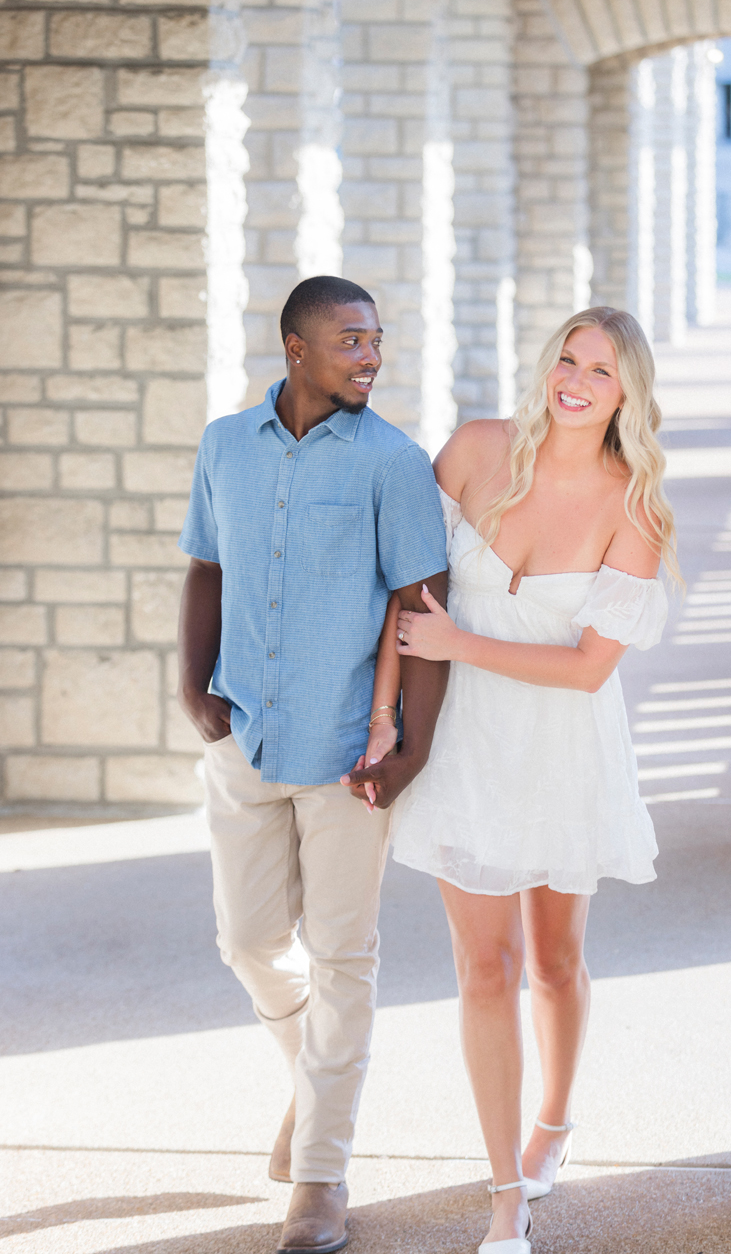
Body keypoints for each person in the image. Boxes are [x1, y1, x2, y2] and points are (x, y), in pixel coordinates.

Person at [348, 306, 677, 1254]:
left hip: (566, 750)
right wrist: (383, 720)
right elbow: (406, 596)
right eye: (567, 358)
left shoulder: (636, 502)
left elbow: (585, 667)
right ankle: (504, 1193)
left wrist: (459, 641)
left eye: (601, 370)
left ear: (629, 394)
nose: (574, 380)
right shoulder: (476, 451)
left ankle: (556, 1123)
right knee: (481, 968)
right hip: (465, 748)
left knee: (554, 959)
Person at [176, 275, 449, 1254]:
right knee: (248, 941)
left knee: (343, 958)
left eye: (377, 340)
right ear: (295, 348)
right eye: (351, 340)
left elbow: (424, 606)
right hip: (245, 735)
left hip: (348, 756)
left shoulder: (394, 463)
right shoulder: (223, 447)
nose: (372, 356)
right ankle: (313, 1080)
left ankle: (323, 1176)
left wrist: (407, 750)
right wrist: (192, 683)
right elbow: (206, 563)